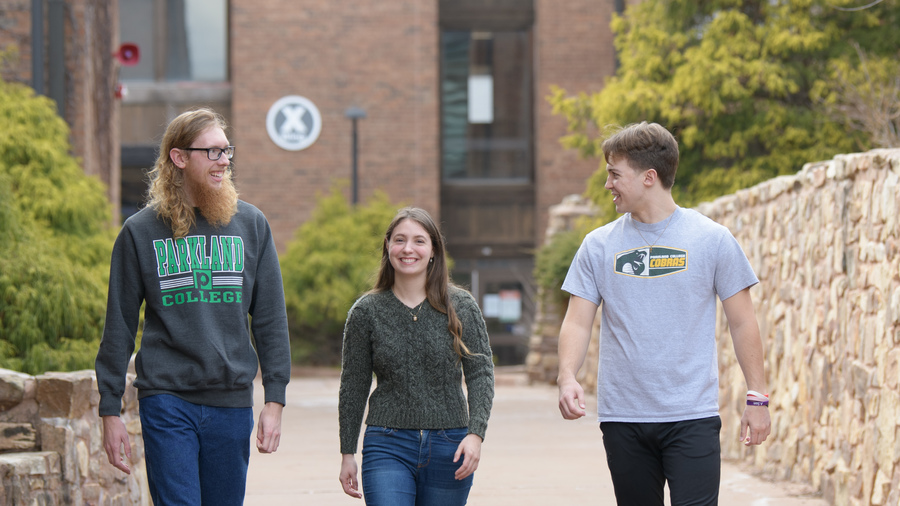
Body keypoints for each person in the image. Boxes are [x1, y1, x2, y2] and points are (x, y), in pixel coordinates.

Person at [556, 122, 771, 506]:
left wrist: (757, 397)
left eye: (614, 174)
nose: (608, 185)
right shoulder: (598, 245)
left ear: (649, 177)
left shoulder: (712, 239)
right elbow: (577, 319)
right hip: (623, 416)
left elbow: (742, 321)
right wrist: (567, 375)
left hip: (692, 414)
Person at [95, 108, 291, 505]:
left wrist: (275, 399)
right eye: (213, 152)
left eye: (227, 151)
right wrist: (109, 409)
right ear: (179, 157)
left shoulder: (251, 225)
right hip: (167, 398)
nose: (224, 161)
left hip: (231, 400)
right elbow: (119, 324)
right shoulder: (140, 232)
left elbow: (270, 318)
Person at [338, 207, 495, 505]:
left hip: (451, 446)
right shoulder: (366, 312)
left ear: (433, 249)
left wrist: (476, 434)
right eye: (399, 240)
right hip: (387, 444)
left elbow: (480, 373)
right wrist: (348, 452)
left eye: (419, 241)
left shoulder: (461, 305)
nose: (408, 249)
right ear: (388, 246)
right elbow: (353, 386)